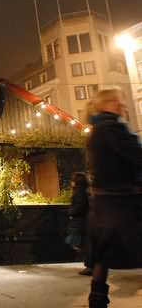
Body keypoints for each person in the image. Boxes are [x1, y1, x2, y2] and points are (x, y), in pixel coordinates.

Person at [86, 89, 142, 308]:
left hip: (104, 205)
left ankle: (97, 299)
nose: (122, 106)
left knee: (104, 256)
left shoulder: (96, 130)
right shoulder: (113, 129)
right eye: (118, 102)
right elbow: (136, 157)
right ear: (107, 104)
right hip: (121, 203)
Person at [65, 172, 91, 276]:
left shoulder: (79, 191)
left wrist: (71, 212)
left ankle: (90, 264)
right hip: (82, 221)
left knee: (79, 243)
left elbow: (80, 205)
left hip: (80, 221)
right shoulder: (84, 190)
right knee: (80, 242)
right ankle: (90, 263)